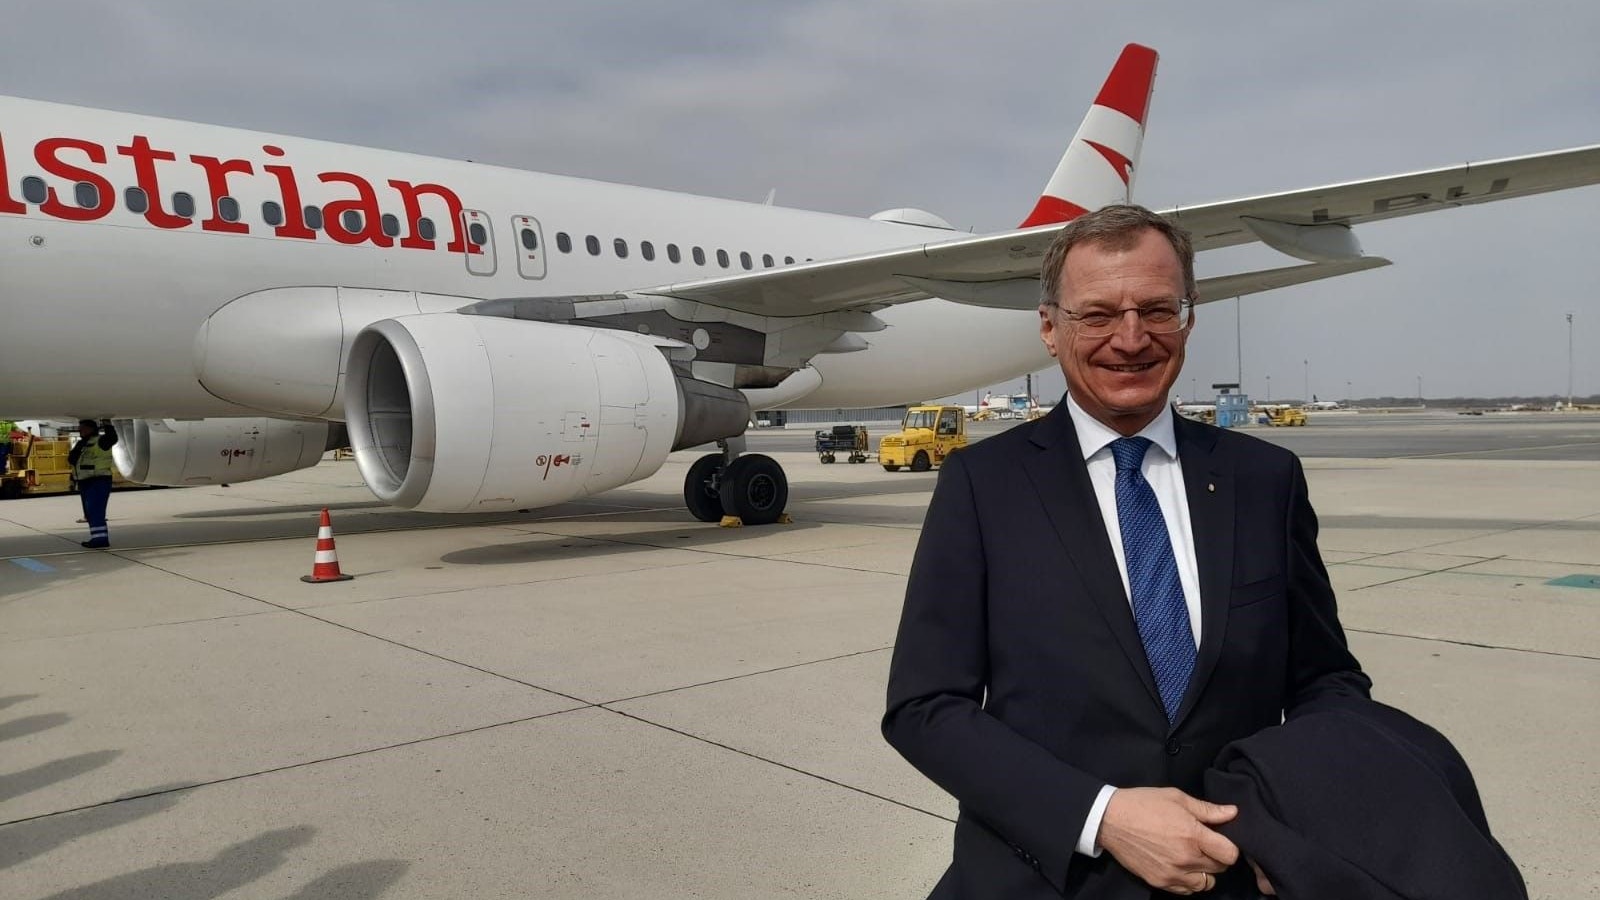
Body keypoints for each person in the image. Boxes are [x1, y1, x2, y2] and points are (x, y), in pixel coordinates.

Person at [882, 204, 1370, 899]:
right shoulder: (983, 485)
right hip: (1046, 878)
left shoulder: (1265, 480)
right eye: (1099, 314)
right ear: (1051, 328)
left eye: (1156, 309)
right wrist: (1102, 815)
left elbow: (1327, 682)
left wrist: (1295, 816)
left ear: (1189, 318)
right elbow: (925, 706)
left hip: (1232, 876)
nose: (1131, 337)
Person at [69, 418, 118, 548]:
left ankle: (100, 540)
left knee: (96, 510)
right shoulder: (83, 443)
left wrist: (108, 424)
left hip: (98, 480)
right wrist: (73, 479)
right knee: (90, 512)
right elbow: (75, 462)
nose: (80, 430)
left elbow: (112, 438)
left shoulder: (101, 441)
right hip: (85, 481)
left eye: (83, 428)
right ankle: (97, 538)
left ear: (91, 429)